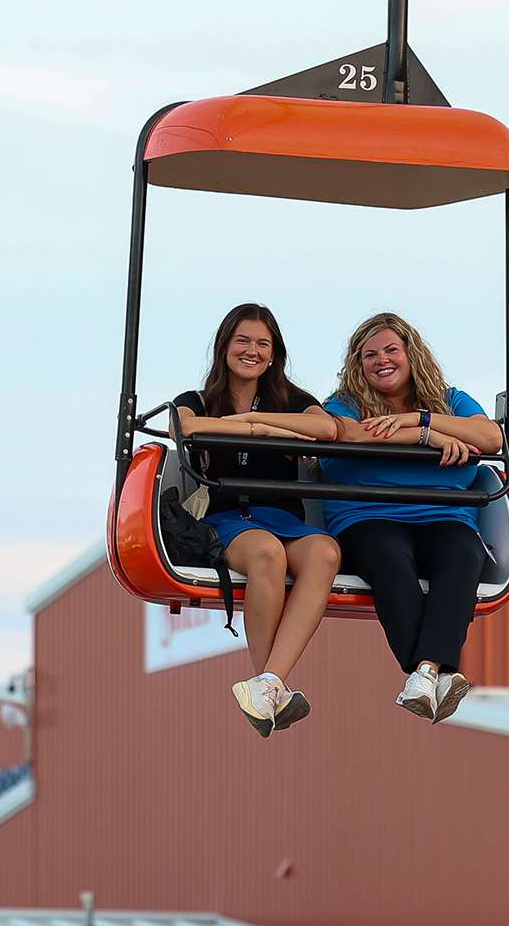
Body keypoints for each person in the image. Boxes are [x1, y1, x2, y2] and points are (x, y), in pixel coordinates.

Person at [320, 312, 506, 724]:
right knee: (389, 556)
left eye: (390, 350)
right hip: (369, 515)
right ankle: (439, 669)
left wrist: (420, 420)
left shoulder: (449, 399)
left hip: (442, 514)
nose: (381, 360)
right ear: (358, 363)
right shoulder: (345, 404)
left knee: (462, 555)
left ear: (411, 354)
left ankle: (423, 673)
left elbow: (491, 437)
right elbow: (350, 434)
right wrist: (432, 438)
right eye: (369, 355)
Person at [166, 303, 342, 736]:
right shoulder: (200, 399)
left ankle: (266, 685)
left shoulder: (292, 398)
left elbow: (326, 430)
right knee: (266, 553)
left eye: (263, 343)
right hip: (230, 516)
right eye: (243, 340)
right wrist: (270, 433)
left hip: (283, 515)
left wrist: (253, 423)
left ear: (274, 353)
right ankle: (269, 683)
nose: (252, 351)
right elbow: (184, 426)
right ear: (225, 345)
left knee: (324, 551)